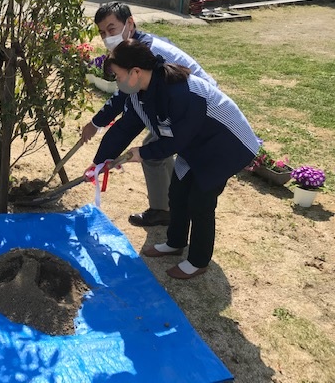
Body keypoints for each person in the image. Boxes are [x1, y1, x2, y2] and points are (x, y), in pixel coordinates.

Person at [87, 39, 259, 279]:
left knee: (200, 201)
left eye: (118, 75)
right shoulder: (140, 94)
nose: (117, 82)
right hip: (195, 145)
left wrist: (143, 153)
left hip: (226, 145)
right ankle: (175, 242)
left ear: (135, 72)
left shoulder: (182, 92)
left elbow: (177, 141)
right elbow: (124, 129)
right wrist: (99, 163)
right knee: (177, 193)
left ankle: (199, 261)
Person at [82, 1, 217, 227]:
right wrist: (97, 128)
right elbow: (124, 98)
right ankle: (172, 206)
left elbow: (132, 116)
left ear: (130, 24)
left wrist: (101, 160)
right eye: (102, 33)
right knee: (158, 151)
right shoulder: (132, 53)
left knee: (155, 153)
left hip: (199, 109)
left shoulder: (146, 56)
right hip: (180, 109)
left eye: (112, 29)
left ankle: (167, 209)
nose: (107, 37)